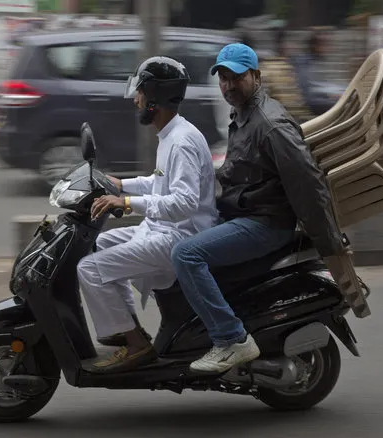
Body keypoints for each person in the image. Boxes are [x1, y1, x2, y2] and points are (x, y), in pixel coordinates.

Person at [170, 43, 349, 374]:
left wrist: (330, 243)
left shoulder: (270, 123)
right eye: (223, 77)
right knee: (169, 238)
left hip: (264, 223)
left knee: (186, 255)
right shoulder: (243, 115)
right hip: (243, 215)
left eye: (236, 77)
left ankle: (231, 339)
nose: (227, 85)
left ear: (255, 76)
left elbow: (308, 184)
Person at [77, 56, 218, 372]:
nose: (135, 99)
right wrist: (120, 184)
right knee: (100, 246)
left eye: (139, 92)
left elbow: (183, 203)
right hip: (162, 229)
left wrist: (125, 203)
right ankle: (128, 328)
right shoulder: (171, 133)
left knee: (89, 269)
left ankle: (138, 346)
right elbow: (159, 181)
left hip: (180, 239)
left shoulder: (180, 141)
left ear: (154, 96)